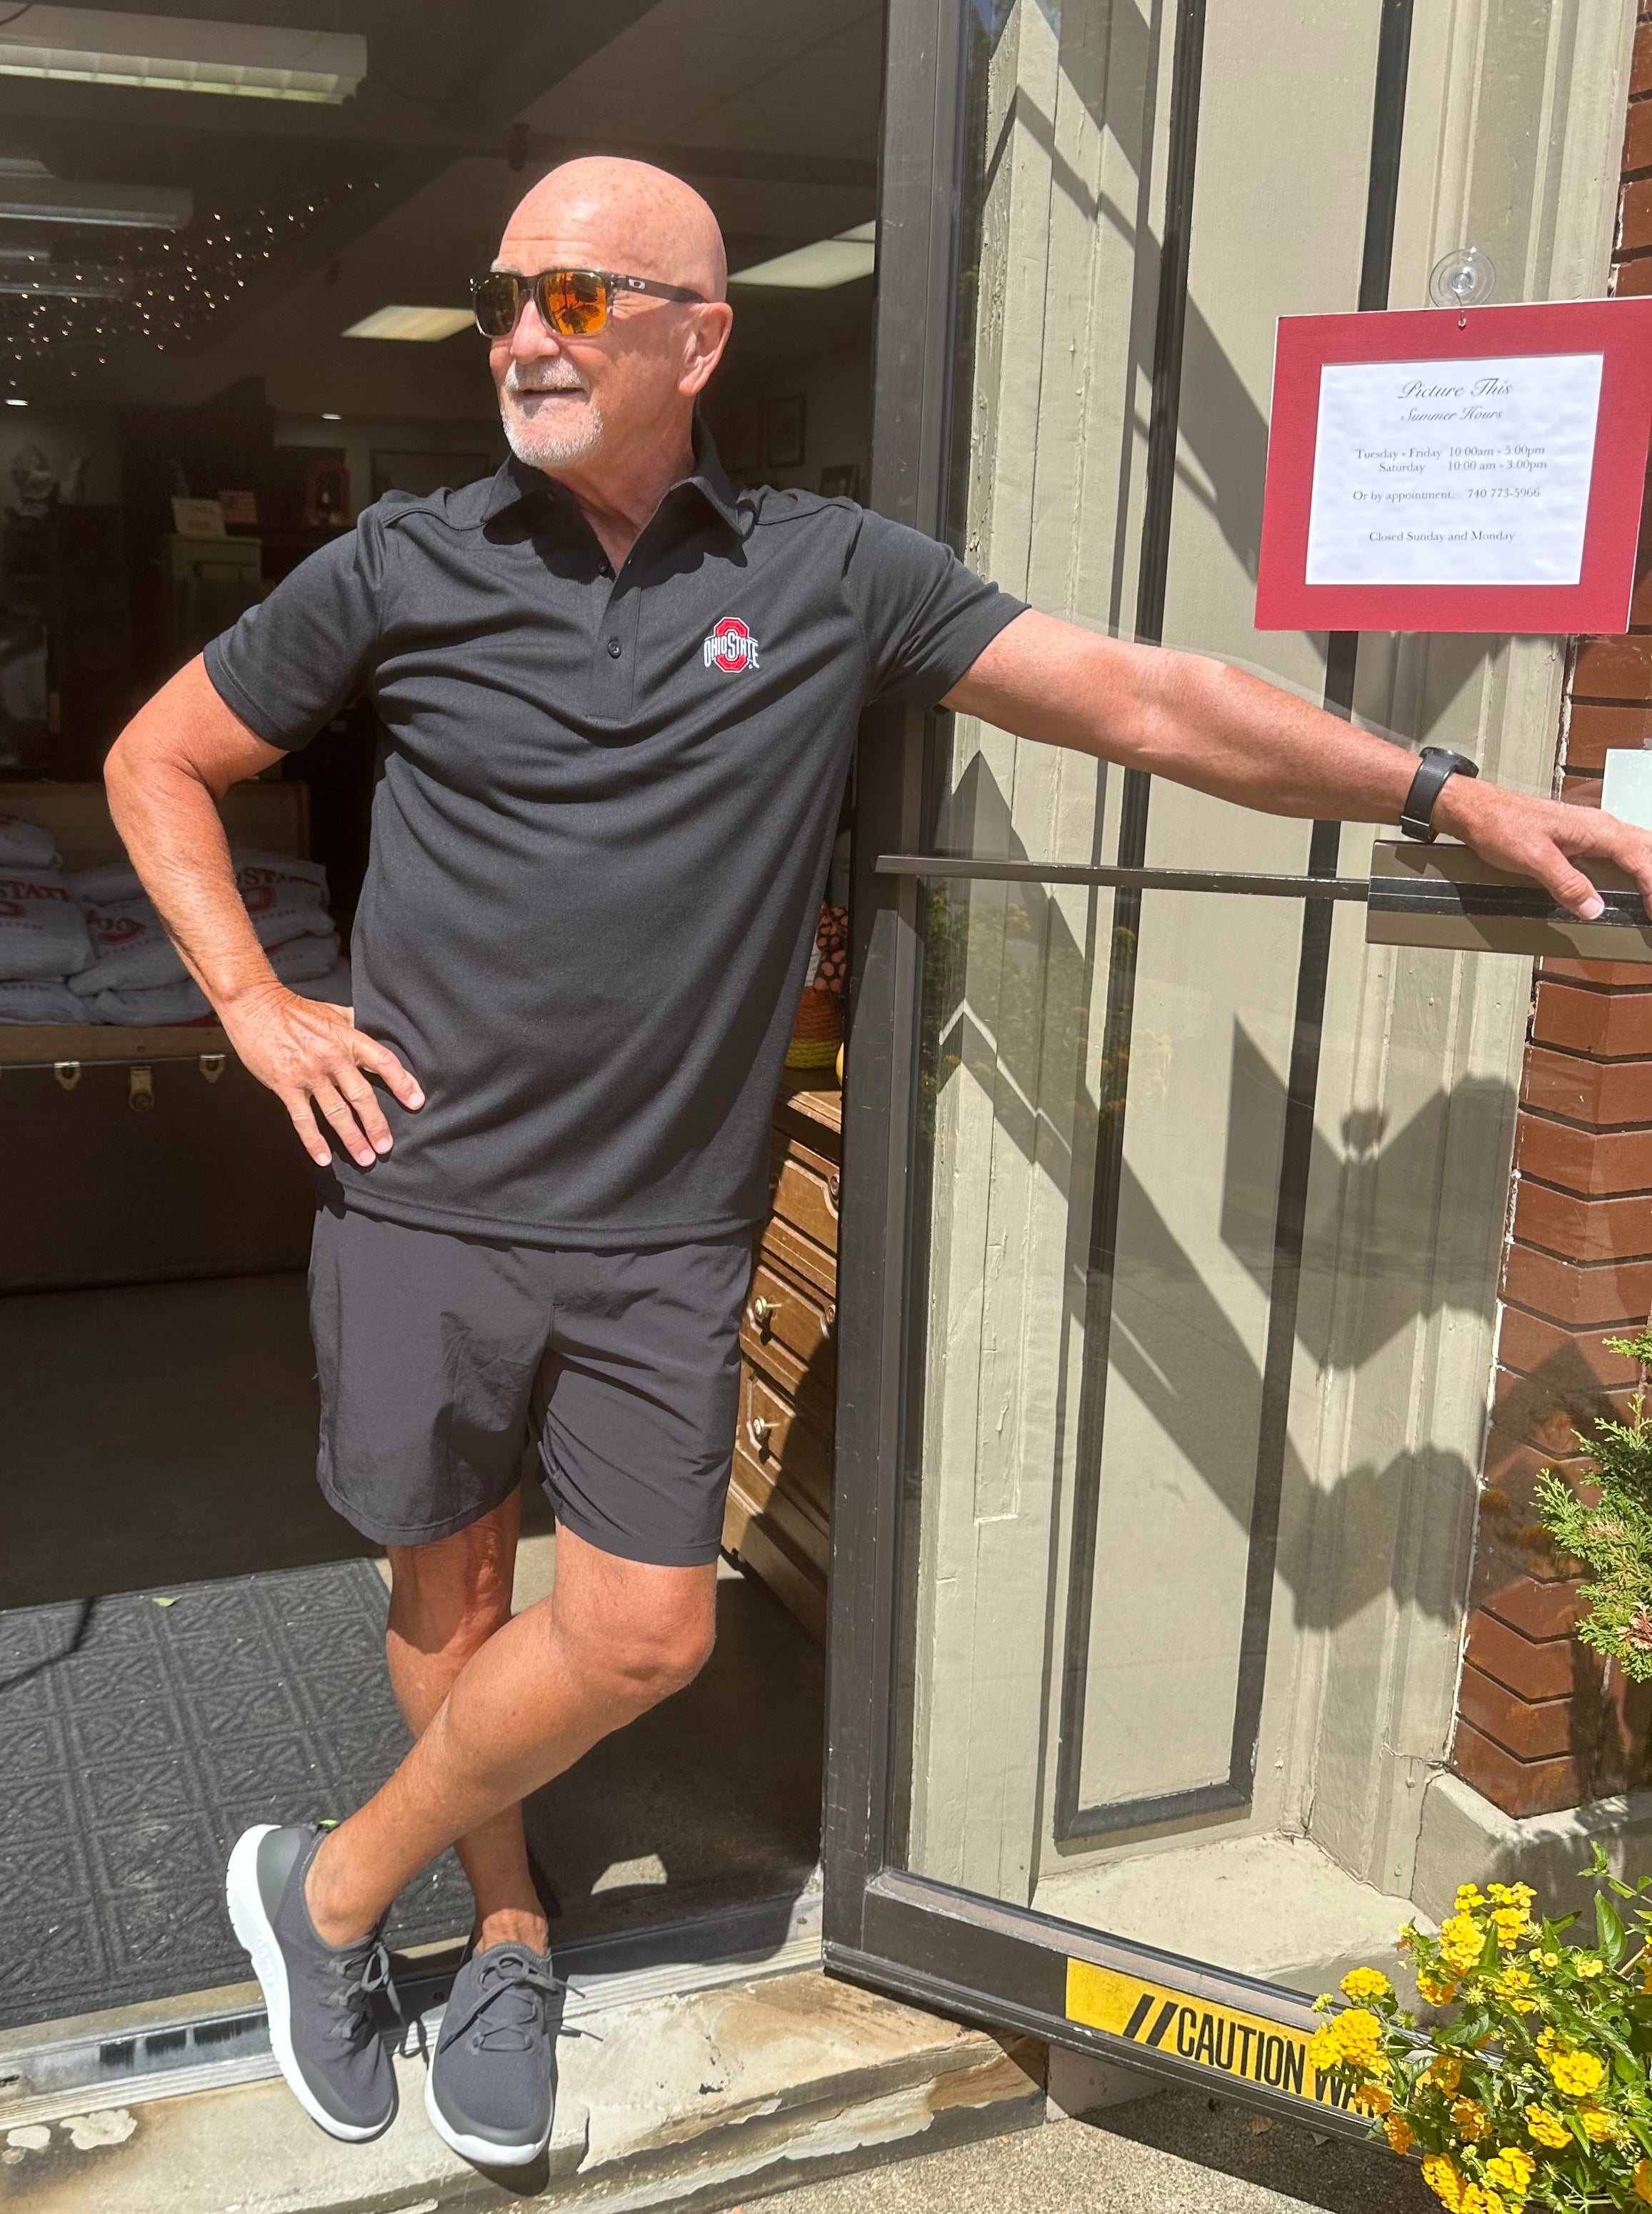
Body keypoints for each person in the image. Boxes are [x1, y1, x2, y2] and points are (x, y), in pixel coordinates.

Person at [104, 155, 1652, 2166]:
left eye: (574, 298)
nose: (518, 334)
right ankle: (499, 1919)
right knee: (450, 1581)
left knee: (645, 1625)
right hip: (422, 1190)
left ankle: (317, 1891)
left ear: (695, 332)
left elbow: (1145, 696)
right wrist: (252, 1003)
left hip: (667, 1221)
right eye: (505, 294)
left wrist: (1438, 789)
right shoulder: (402, 561)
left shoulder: (830, 572)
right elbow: (162, 757)